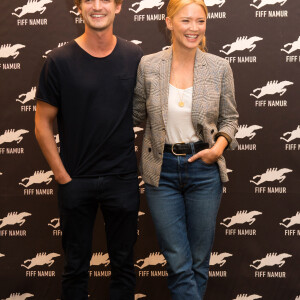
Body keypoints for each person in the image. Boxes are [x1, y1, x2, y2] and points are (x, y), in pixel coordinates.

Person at [34, 0, 143, 299]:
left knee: (123, 267)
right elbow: (42, 124)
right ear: (79, 7)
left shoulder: (134, 56)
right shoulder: (58, 60)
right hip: (75, 180)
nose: (97, 6)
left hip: (122, 179)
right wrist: (62, 175)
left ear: (118, 7)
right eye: (89, 0)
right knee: (75, 268)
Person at [133, 0, 238, 299]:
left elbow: (230, 119)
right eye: (186, 20)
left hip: (204, 171)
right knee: (179, 264)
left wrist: (217, 149)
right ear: (168, 22)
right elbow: (135, 113)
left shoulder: (219, 67)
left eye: (200, 21)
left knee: (198, 264)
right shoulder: (149, 65)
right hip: (161, 172)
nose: (193, 28)